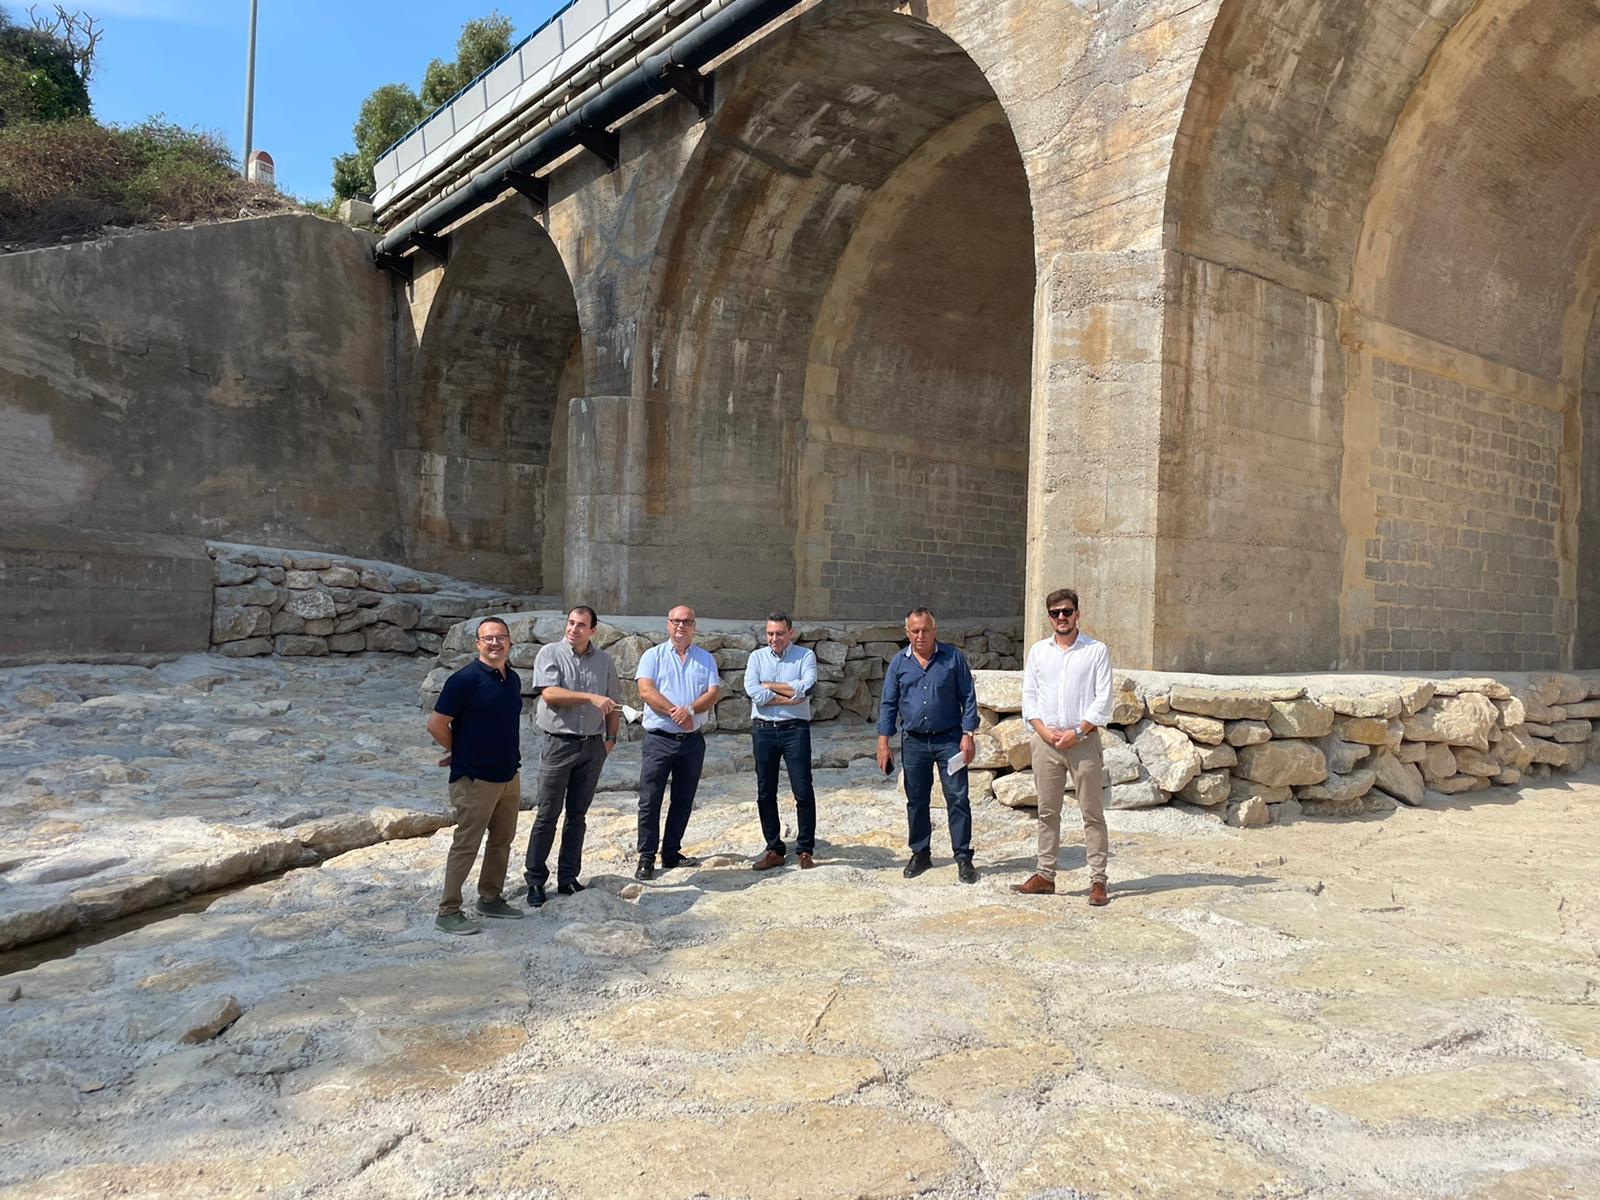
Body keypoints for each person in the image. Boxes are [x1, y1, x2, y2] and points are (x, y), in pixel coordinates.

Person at [1012, 587, 1114, 906]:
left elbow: (1104, 699)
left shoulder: (1096, 651)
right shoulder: (1039, 652)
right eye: (1055, 613)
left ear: (1077, 614)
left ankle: (1098, 880)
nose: (1061, 618)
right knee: (1047, 811)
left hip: (1082, 742)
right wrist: (1042, 730)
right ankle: (1045, 875)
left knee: (1092, 812)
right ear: (1049, 618)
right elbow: (1029, 696)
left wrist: (1078, 733)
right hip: (1046, 743)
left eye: (1066, 612)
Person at [425, 616, 526, 934]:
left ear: (510, 642)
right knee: (466, 844)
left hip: (509, 775)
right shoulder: (464, 680)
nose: (495, 643)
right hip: (475, 780)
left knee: (502, 841)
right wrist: (460, 750)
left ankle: (490, 898)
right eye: (488, 638)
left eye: (501, 637)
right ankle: (448, 910)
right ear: (478, 644)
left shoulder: (512, 678)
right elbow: (437, 725)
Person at [522, 605, 621, 906]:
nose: (573, 629)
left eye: (581, 625)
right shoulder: (550, 653)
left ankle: (568, 878)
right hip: (558, 745)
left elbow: (613, 703)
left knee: (577, 815)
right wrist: (590, 697)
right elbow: (550, 694)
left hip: (592, 747)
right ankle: (536, 881)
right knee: (547, 814)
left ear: (593, 630)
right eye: (570, 623)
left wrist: (610, 740)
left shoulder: (604, 661)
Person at [876, 607, 980, 883]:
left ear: (935, 630)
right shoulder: (899, 663)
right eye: (915, 631)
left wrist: (968, 734)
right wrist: (883, 742)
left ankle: (963, 856)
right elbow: (888, 704)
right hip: (914, 742)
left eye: (925, 630)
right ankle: (920, 853)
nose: (920, 636)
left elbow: (968, 697)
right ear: (907, 632)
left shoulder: (953, 659)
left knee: (958, 798)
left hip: (950, 739)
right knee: (917, 800)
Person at [634, 604, 720, 880]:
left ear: (694, 626)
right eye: (675, 621)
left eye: (686, 622)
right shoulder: (653, 656)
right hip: (659, 739)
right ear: (668, 624)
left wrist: (690, 711)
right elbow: (646, 691)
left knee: (683, 799)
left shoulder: (705, 659)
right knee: (650, 799)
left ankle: (671, 852)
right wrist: (675, 711)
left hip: (692, 741)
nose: (681, 626)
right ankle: (646, 856)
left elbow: (713, 692)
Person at [744, 612, 819, 870]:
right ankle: (774, 848)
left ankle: (805, 849)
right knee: (766, 791)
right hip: (764, 730)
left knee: (802, 788)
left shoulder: (805, 656)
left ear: (790, 633)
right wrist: (789, 694)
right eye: (770, 634)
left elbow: (807, 687)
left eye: (779, 633)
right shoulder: (756, 657)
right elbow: (753, 692)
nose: (774, 638)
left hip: (795, 730)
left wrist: (770, 687)